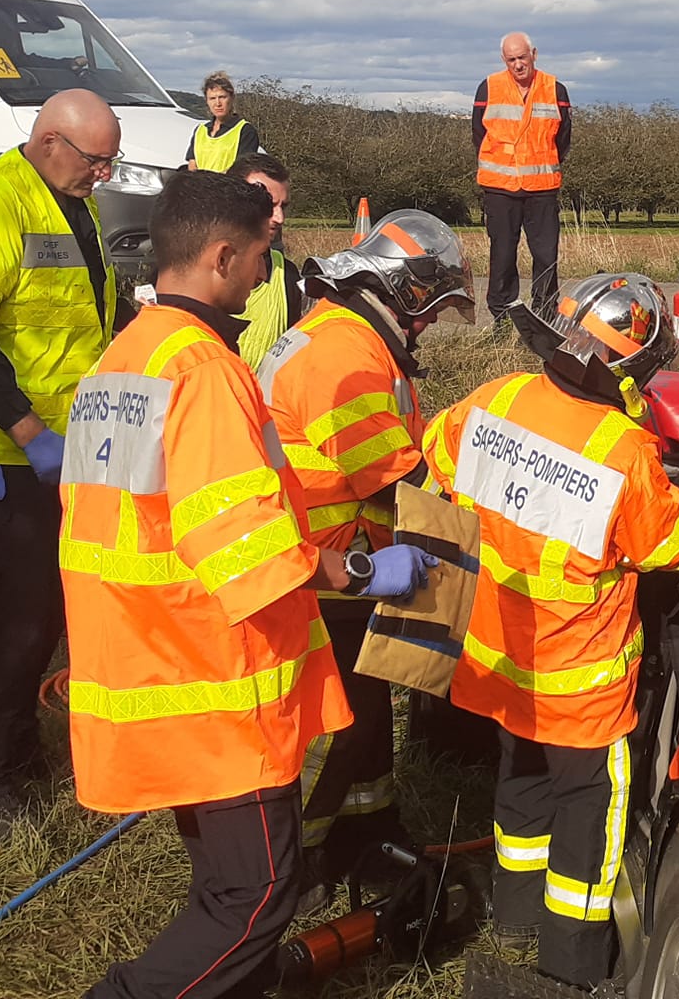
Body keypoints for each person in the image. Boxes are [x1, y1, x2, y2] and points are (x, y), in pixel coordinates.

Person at [61, 170, 433, 999]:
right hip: (211, 674)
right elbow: (247, 551)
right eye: (263, 256)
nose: (269, 276)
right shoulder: (205, 371)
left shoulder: (122, 359)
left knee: (224, 881)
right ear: (223, 254)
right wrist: (366, 568)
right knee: (258, 893)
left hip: (141, 654)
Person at [421, 273, 679, 988]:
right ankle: (573, 964)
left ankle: (515, 919)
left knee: (521, 785)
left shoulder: (494, 398)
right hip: (581, 686)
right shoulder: (623, 450)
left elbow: (435, 457)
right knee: (591, 816)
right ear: (634, 366)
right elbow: (671, 546)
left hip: (495, 658)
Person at [0, 89, 123, 841]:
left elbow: (81, 316)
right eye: (94, 159)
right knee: (14, 618)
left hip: (63, 449)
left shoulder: (75, 202)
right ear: (48, 141)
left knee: (52, 613)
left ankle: (20, 756)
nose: (103, 174)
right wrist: (34, 436)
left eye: (109, 160)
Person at [257, 208, 473, 881]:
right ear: (403, 290)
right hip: (328, 563)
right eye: (432, 308)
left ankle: (369, 831)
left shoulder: (338, 332)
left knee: (367, 708)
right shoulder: (345, 352)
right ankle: (291, 865)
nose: (432, 322)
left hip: (340, 558)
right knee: (336, 721)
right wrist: (478, 515)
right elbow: (394, 476)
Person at [474, 32, 571, 323]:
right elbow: (478, 136)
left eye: (522, 57)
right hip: (500, 188)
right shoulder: (488, 87)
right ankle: (502, 318)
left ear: (534, 54)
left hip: (542, 188)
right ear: (504, 60)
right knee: (502, 256)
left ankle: (544, 317)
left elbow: (563, 138)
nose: (518, 65)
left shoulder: (555, 89)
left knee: (545, 256)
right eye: (511, 59)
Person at [232, 152, 302, 369]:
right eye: (268, 205)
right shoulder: (193, 272)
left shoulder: (287, 275)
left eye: (284, 206)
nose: (279, 218)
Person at [184, 70, 262, 173]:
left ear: (232, 98)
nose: (218, 103)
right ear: (207, 101)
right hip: (200, 187)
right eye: (212, 98)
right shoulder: (200, 131)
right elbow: (192, 165)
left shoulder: (245, 131)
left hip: (228, 187)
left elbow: (242, 170)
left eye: (222, 97)